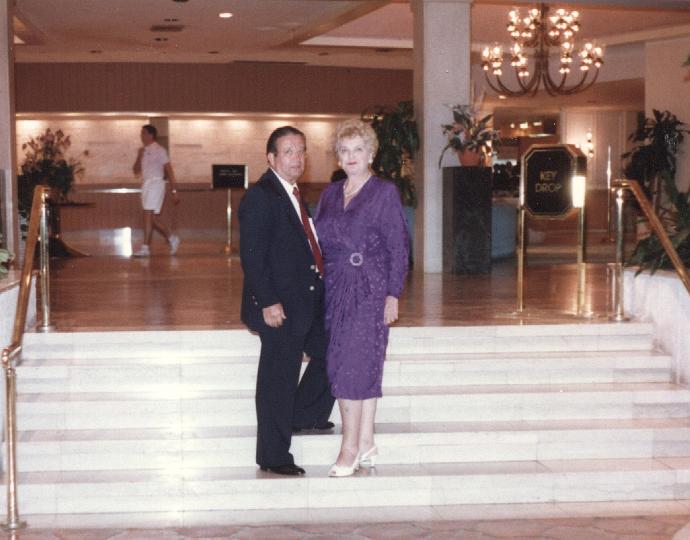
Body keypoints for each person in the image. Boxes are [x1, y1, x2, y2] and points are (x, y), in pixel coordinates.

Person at [314, 119, 409, 477]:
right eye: (344, 150)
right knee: (355, 363)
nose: (351, 156)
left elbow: (398, 245)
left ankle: (349, 447)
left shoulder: (384, 192)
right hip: (336, 287)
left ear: (371, 153)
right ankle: (367, 441)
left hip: (370, 287)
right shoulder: (330, 193)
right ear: (337, 156)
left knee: (350, 366)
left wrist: (393, 293)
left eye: (358, 149)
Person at [238, 126, 335, 476]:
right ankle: (273, 455)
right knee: (277, 379)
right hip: (279, 306)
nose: (297, 158)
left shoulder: (292, 193)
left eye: (301, 151)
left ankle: (304, 415)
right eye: (289, 151)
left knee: (333, 350)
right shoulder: (261, 196)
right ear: (272, 158)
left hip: (306, 300)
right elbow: (252, 255)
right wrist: (267, 301)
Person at [132, 124, 180, 257]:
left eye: (144, 133)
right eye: (141, 133)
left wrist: (174, 190)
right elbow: (135, 171)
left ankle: (145, 248)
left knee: (148, 215)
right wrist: (139, 156)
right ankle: (172, 238)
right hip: (146, 185)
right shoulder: (141, 151)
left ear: (151, 135)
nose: (141, 136)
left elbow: (169, 170)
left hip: (157, 184)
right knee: (151, 218)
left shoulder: (160, 150)